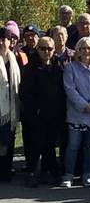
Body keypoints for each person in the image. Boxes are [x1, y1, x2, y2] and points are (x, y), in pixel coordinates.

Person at [61, 37, 90, 188]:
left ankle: (87, 174)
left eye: (89, 48)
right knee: (73, 146)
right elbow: (70, 90)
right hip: (77, 114)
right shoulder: (71, 68)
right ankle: (68, 174)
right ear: (78, 50)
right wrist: (84, 105)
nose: (86, 51)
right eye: (82, 48)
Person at [20, 36, 66, 187]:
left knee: (50, 144)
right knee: (36, 143)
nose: (46, 52)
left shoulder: (59, 65)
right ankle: (31, 172)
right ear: (38, 49)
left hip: (55, 112)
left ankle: (48, 171)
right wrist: (35, 109)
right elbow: (25, 92)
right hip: (36, 113)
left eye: (49, 49)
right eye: (43, 48)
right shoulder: (30, 67)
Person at [0, 28, 21, 182]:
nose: (1, 42)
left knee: (7, 141)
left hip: (10, 108)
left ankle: (6, 170)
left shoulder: (14, 58)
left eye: (4, 39)